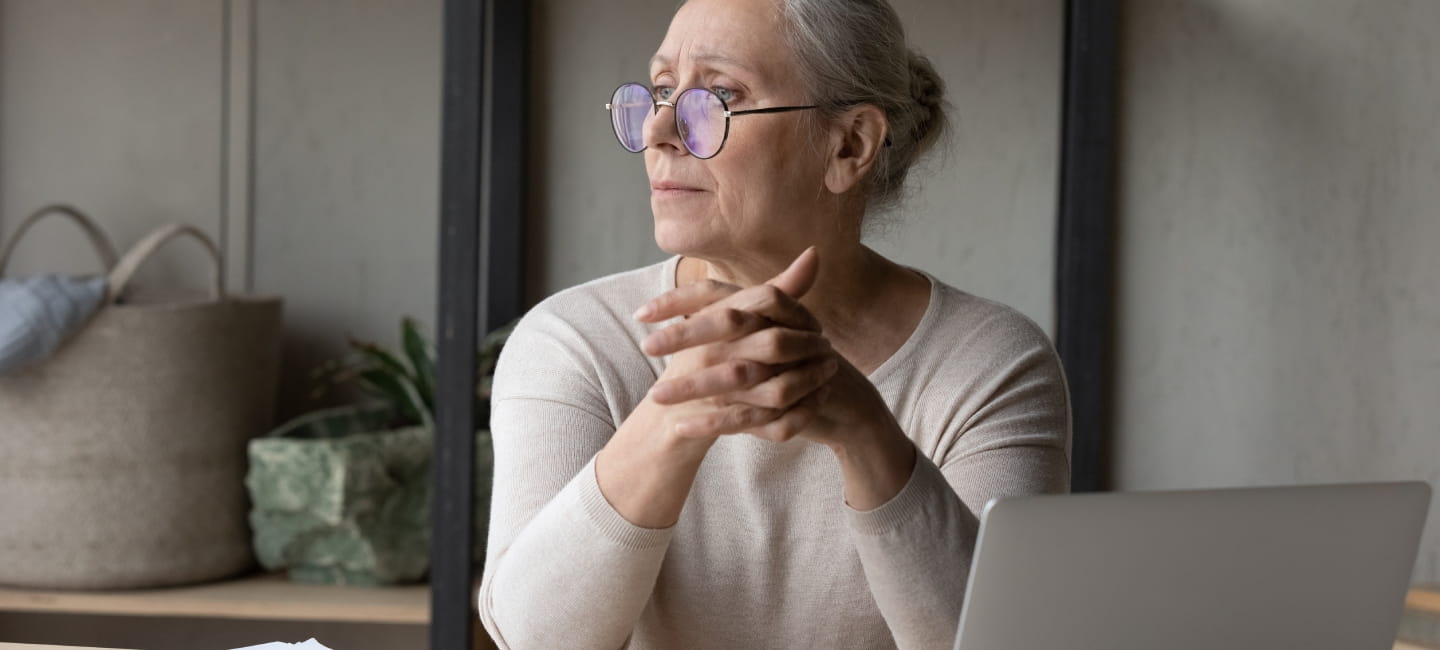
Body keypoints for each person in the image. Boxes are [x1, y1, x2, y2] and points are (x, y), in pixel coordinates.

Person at [477, 0, 1071, 647]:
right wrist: (676, 413)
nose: (659, 131)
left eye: (720, 95)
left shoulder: (989, 364)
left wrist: (867, 433)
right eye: (662, 90)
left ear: (849, 145)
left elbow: (998, 642)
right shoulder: (573, 342)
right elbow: (531, 638)